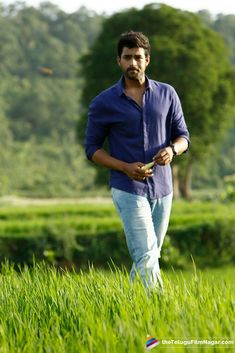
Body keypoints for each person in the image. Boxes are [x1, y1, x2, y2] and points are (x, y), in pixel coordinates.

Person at [85, 31, 190, 290]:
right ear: (119, 61)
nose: (133, 63)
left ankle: (133, 306)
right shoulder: (103, 102)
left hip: (164, 189)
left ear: (147, 60)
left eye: (138, 57)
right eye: (127, 57)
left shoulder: (168, 94)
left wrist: (172, 150)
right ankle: (159, 308)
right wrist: (124, 167)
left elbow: (183, 137)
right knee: (145, 252)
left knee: (151, 253)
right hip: (127, 188)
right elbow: (92, 149)